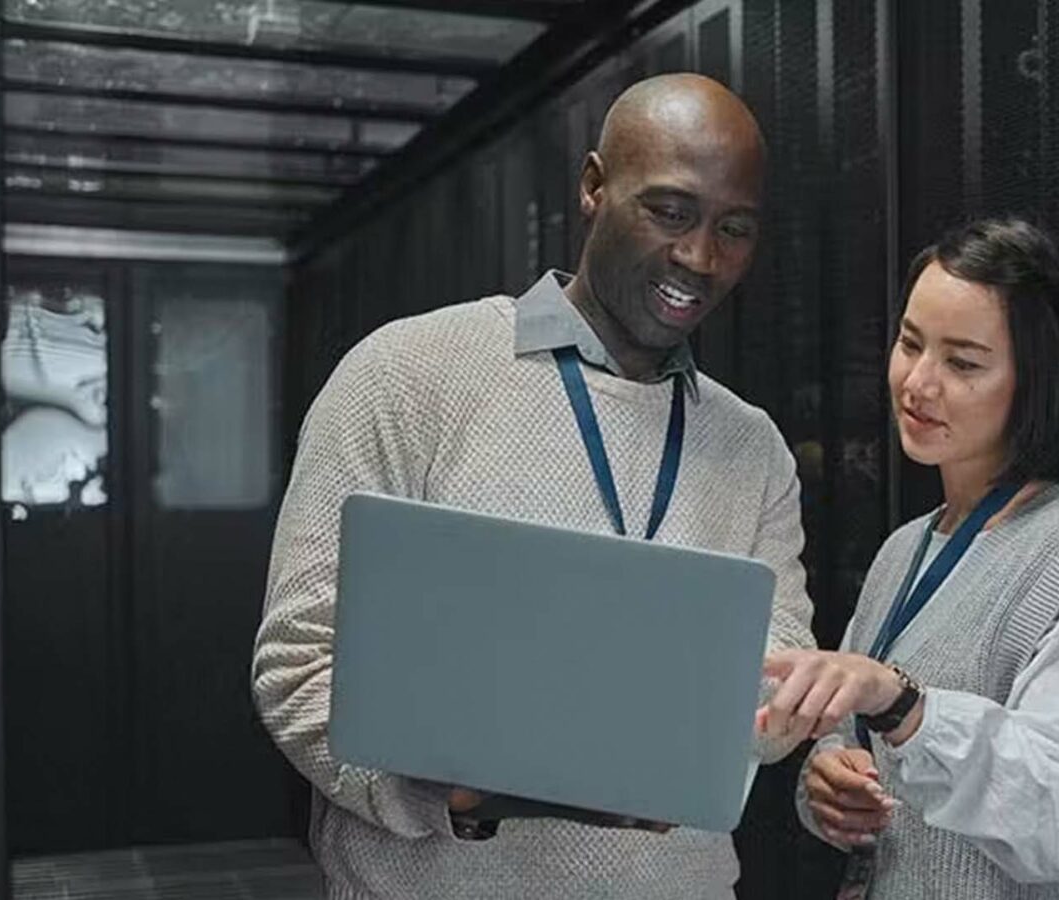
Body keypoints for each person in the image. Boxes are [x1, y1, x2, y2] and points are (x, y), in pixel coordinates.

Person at [251, 73, 815, 900]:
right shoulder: (406, 377)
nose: (700, 257)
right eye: (669, 212)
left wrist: (781, 711)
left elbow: (779, 671)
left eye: (734, 229)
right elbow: (299, 663)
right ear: (593, 187)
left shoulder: (753, 447)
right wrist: (457, 792)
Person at [759, 216, 1059, 899]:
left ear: (1037, 380)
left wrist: (905, 706)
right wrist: (828, 783)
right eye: (910, 344)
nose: (918, 382)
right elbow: (862, 742)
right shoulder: (903, 551)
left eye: (963, 363)